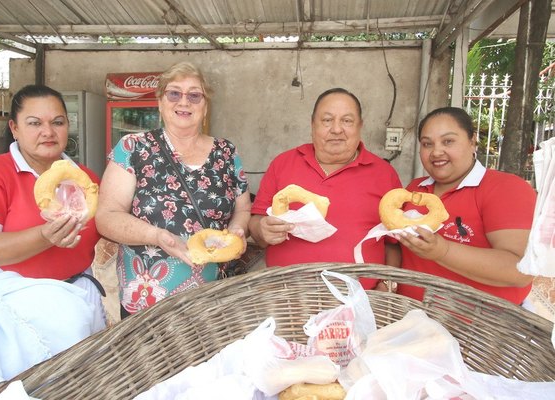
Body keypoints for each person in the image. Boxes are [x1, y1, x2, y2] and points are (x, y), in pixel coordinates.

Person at [95, 61, 251, 318]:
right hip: (146, 300)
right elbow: (106, 217)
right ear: (160, 102)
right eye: (174, 93)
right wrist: (156, 236)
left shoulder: (226, 151)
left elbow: (243, 207)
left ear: (205, 105)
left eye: (194, 95)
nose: (184, 102)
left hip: (212, 299)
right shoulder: (134, 148)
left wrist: (237, 228)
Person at [0, 84, 106, 330]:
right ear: (14, 128)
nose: (48, 132)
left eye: (58, 122)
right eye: (35, 123)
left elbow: (110, 223)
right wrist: (44, 236)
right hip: (14, 307)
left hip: (81, 298)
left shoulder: (85, 179)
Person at [248, 87, 402, 289]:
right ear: (313, 125)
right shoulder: (283, 164)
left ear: (360, 126)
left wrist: (387, 283)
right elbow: (255, 223)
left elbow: (394, 244)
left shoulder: (383, 174)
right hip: (287, 298)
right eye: (327, 120)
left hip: (359, 300)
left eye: (347, 121)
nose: (337, 129)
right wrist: (261, 229)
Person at [394, 107, 536, 305]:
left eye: (448, 141)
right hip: (412, 321)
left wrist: (442, 251)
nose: (436, 151)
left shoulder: (505, 188)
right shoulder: (414, 189)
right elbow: (400, 250)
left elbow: (520, 270)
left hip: (480, 330)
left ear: (472, 141)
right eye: (427, 144)